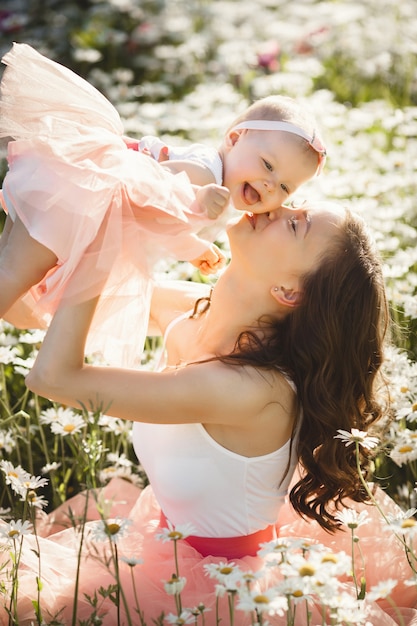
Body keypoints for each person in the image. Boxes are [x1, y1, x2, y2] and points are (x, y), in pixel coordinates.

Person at [2, 201, 414, 625]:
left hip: (226, 591)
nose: (278, 207)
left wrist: (100, 234)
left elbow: (53, 379)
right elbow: (28, 307)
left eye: (295, 224)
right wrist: (36, 201)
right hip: (162, 538)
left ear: (289, 292)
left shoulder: (250, 389)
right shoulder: (196, 309)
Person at [0, 42, 326, 366]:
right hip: (75, 200)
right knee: (13, 274)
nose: (270, 185)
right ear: (235, 139)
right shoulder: (205, 172)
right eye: (268, 165)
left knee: (9, 268)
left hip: (69, 193)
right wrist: (194, 219)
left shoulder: (212, 177)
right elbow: (145, 187)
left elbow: (155, 217)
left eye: (284, 186)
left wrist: (193, 244)